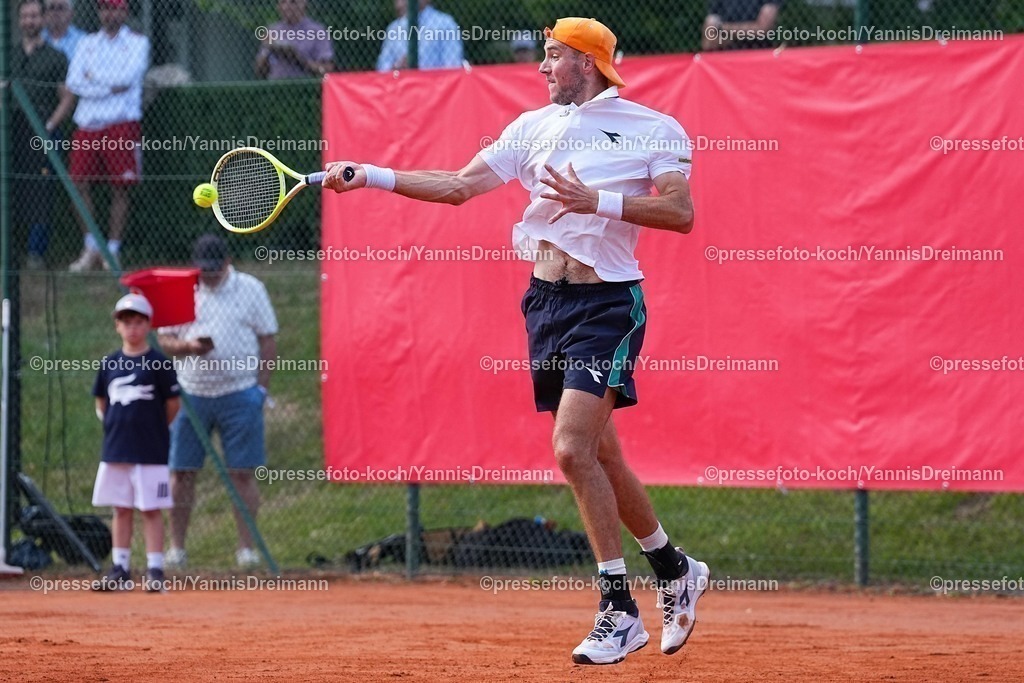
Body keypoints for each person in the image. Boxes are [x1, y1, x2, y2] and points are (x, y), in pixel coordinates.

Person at [323, 16, 708, 666]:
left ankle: (618, 606)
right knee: (602, 456)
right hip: (545, 305)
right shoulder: (531, 127)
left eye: (553, 56)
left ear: (586, 62)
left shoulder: (651, 127)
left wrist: (598, 201)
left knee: (569, 448)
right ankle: (674, 567)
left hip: (608, 305)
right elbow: (457, 187)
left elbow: (681, 212)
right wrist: (370, 175)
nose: (541, 66)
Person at [157, 235, 279, 569]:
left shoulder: (250, 288)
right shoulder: (182, 289)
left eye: (214, 270)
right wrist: (189, 347)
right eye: (203, 271)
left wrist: (260, 391)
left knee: (242, 473)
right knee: (181, 473)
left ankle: (246, 550)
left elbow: (268, 340)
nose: (208, 277)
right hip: (190, 393)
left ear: (227, 262)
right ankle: (176, 549)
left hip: (239, 394)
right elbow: (165, 338)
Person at [91, 293, 180, 592]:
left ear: (148, 325)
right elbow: (101, 402)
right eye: (126, 322)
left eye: (138, 322)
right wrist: (117, 428)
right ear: (118, 326)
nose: (132, 328)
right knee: (121, 507)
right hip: (116, 448)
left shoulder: (159, 363)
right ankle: (121, 569)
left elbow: (172, 405)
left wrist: (152, 429)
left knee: (151, 508)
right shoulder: (109, 363)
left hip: (151, 450)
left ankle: (155, 570)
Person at [65, 0, 149, 272]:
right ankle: (91, 247)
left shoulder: (138, 43)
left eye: (114, 8)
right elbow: (75, 82)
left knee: (120, 188)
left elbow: (126, 79)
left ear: (124, 12)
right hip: (87, 124)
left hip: (121, 123)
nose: (108, 13)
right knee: (78, 184)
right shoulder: (87, 43)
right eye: (103, 8)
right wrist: (105, 85)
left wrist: (93, 79)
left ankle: (112, 251)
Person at [11, 0, 75, 269]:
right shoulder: (8, 54)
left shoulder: (56, 57)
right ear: (19, 21)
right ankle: (11, 250)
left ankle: (35, 254)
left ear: (43, 19)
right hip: (11, 133)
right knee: (11, 189)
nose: (30, 21)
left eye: (34, 16)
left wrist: (50, 124)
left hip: (42, 133)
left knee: (40, 192)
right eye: (25, 16)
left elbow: (67, 97)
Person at [255, 0, 335, 79]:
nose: (287, 6)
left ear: (303, 4)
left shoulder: (317, 31)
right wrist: (267, 49)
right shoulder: (272, 31)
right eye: (283, 2)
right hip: (276, 87)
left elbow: (327, 69)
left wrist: (298, 59)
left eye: (293, 2)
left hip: (305, 87)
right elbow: (260, 71)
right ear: (278, 6)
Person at [376, 0, 463, 72]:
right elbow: (382, 67)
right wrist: (397, 67)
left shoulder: (445, 24)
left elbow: (453, 66)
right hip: (401, 89)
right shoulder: (394, 28)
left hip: (435, 89)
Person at [702, 0, 783, 51]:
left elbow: (761, 30)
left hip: (758, 51)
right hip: (727, 53)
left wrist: (723, 29)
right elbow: (709, 42)